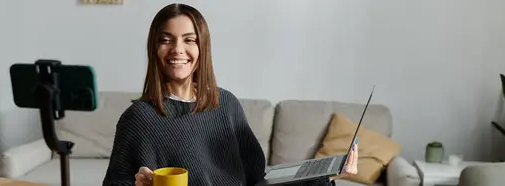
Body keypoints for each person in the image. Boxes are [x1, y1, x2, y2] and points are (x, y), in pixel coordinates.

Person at [102, 3, 358, 186]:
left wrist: (326, 175)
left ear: (202, 48)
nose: (177, 49)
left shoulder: (226, 104)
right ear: (154, 48)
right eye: (166, 40)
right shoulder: (138, 119)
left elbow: (258, 178)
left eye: (189, 40)